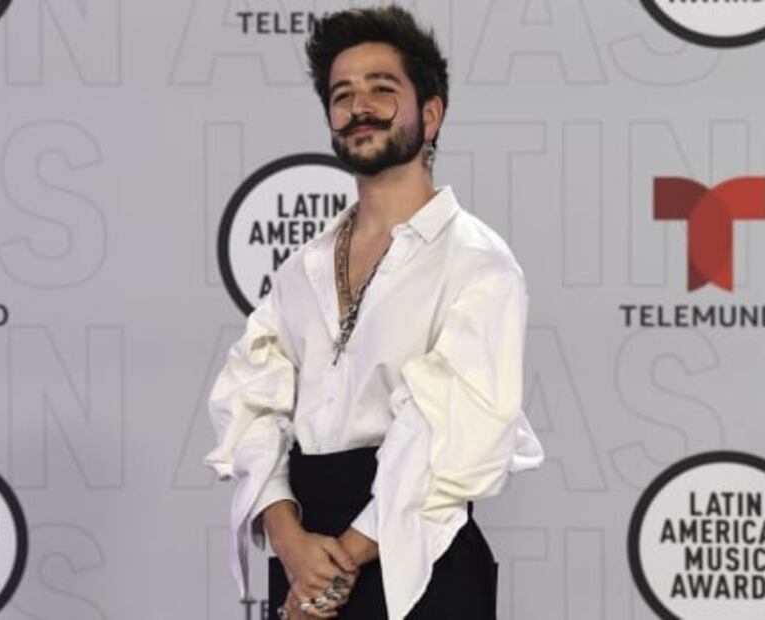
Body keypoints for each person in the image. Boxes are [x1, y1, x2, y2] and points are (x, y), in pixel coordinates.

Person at [205, 6, 544, 619]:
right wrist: (288, 540)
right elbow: (252, 403)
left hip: (418, 561)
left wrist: (332, 569)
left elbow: (451, 437)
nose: (359, 107)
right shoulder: (301, 270)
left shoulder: (478, 264)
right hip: (303, 554)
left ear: (431, 115)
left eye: (382, 90)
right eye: (342, 96)